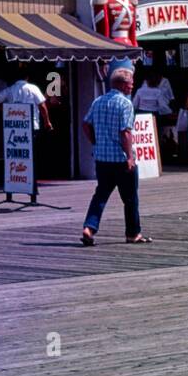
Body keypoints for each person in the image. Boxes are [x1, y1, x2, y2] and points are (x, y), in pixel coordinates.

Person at [80, 68, 150, 246]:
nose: (132, 85)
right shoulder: (125, 104)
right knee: (130, 198)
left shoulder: (98, 101)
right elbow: (125, 133)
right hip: (120, 159)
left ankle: (89, 227)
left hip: (102, 158)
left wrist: (95, 141)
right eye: (130, 82)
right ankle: (133, 234)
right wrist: (130, 157)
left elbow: (86, 124)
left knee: (101, 195)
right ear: (122, 84)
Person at [0, 65, 52, 132]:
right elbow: (42, 106)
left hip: (15, 127)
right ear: (27, 77)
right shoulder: (34, 88)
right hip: (32, 125)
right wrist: (47, 122)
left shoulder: (10, 89)